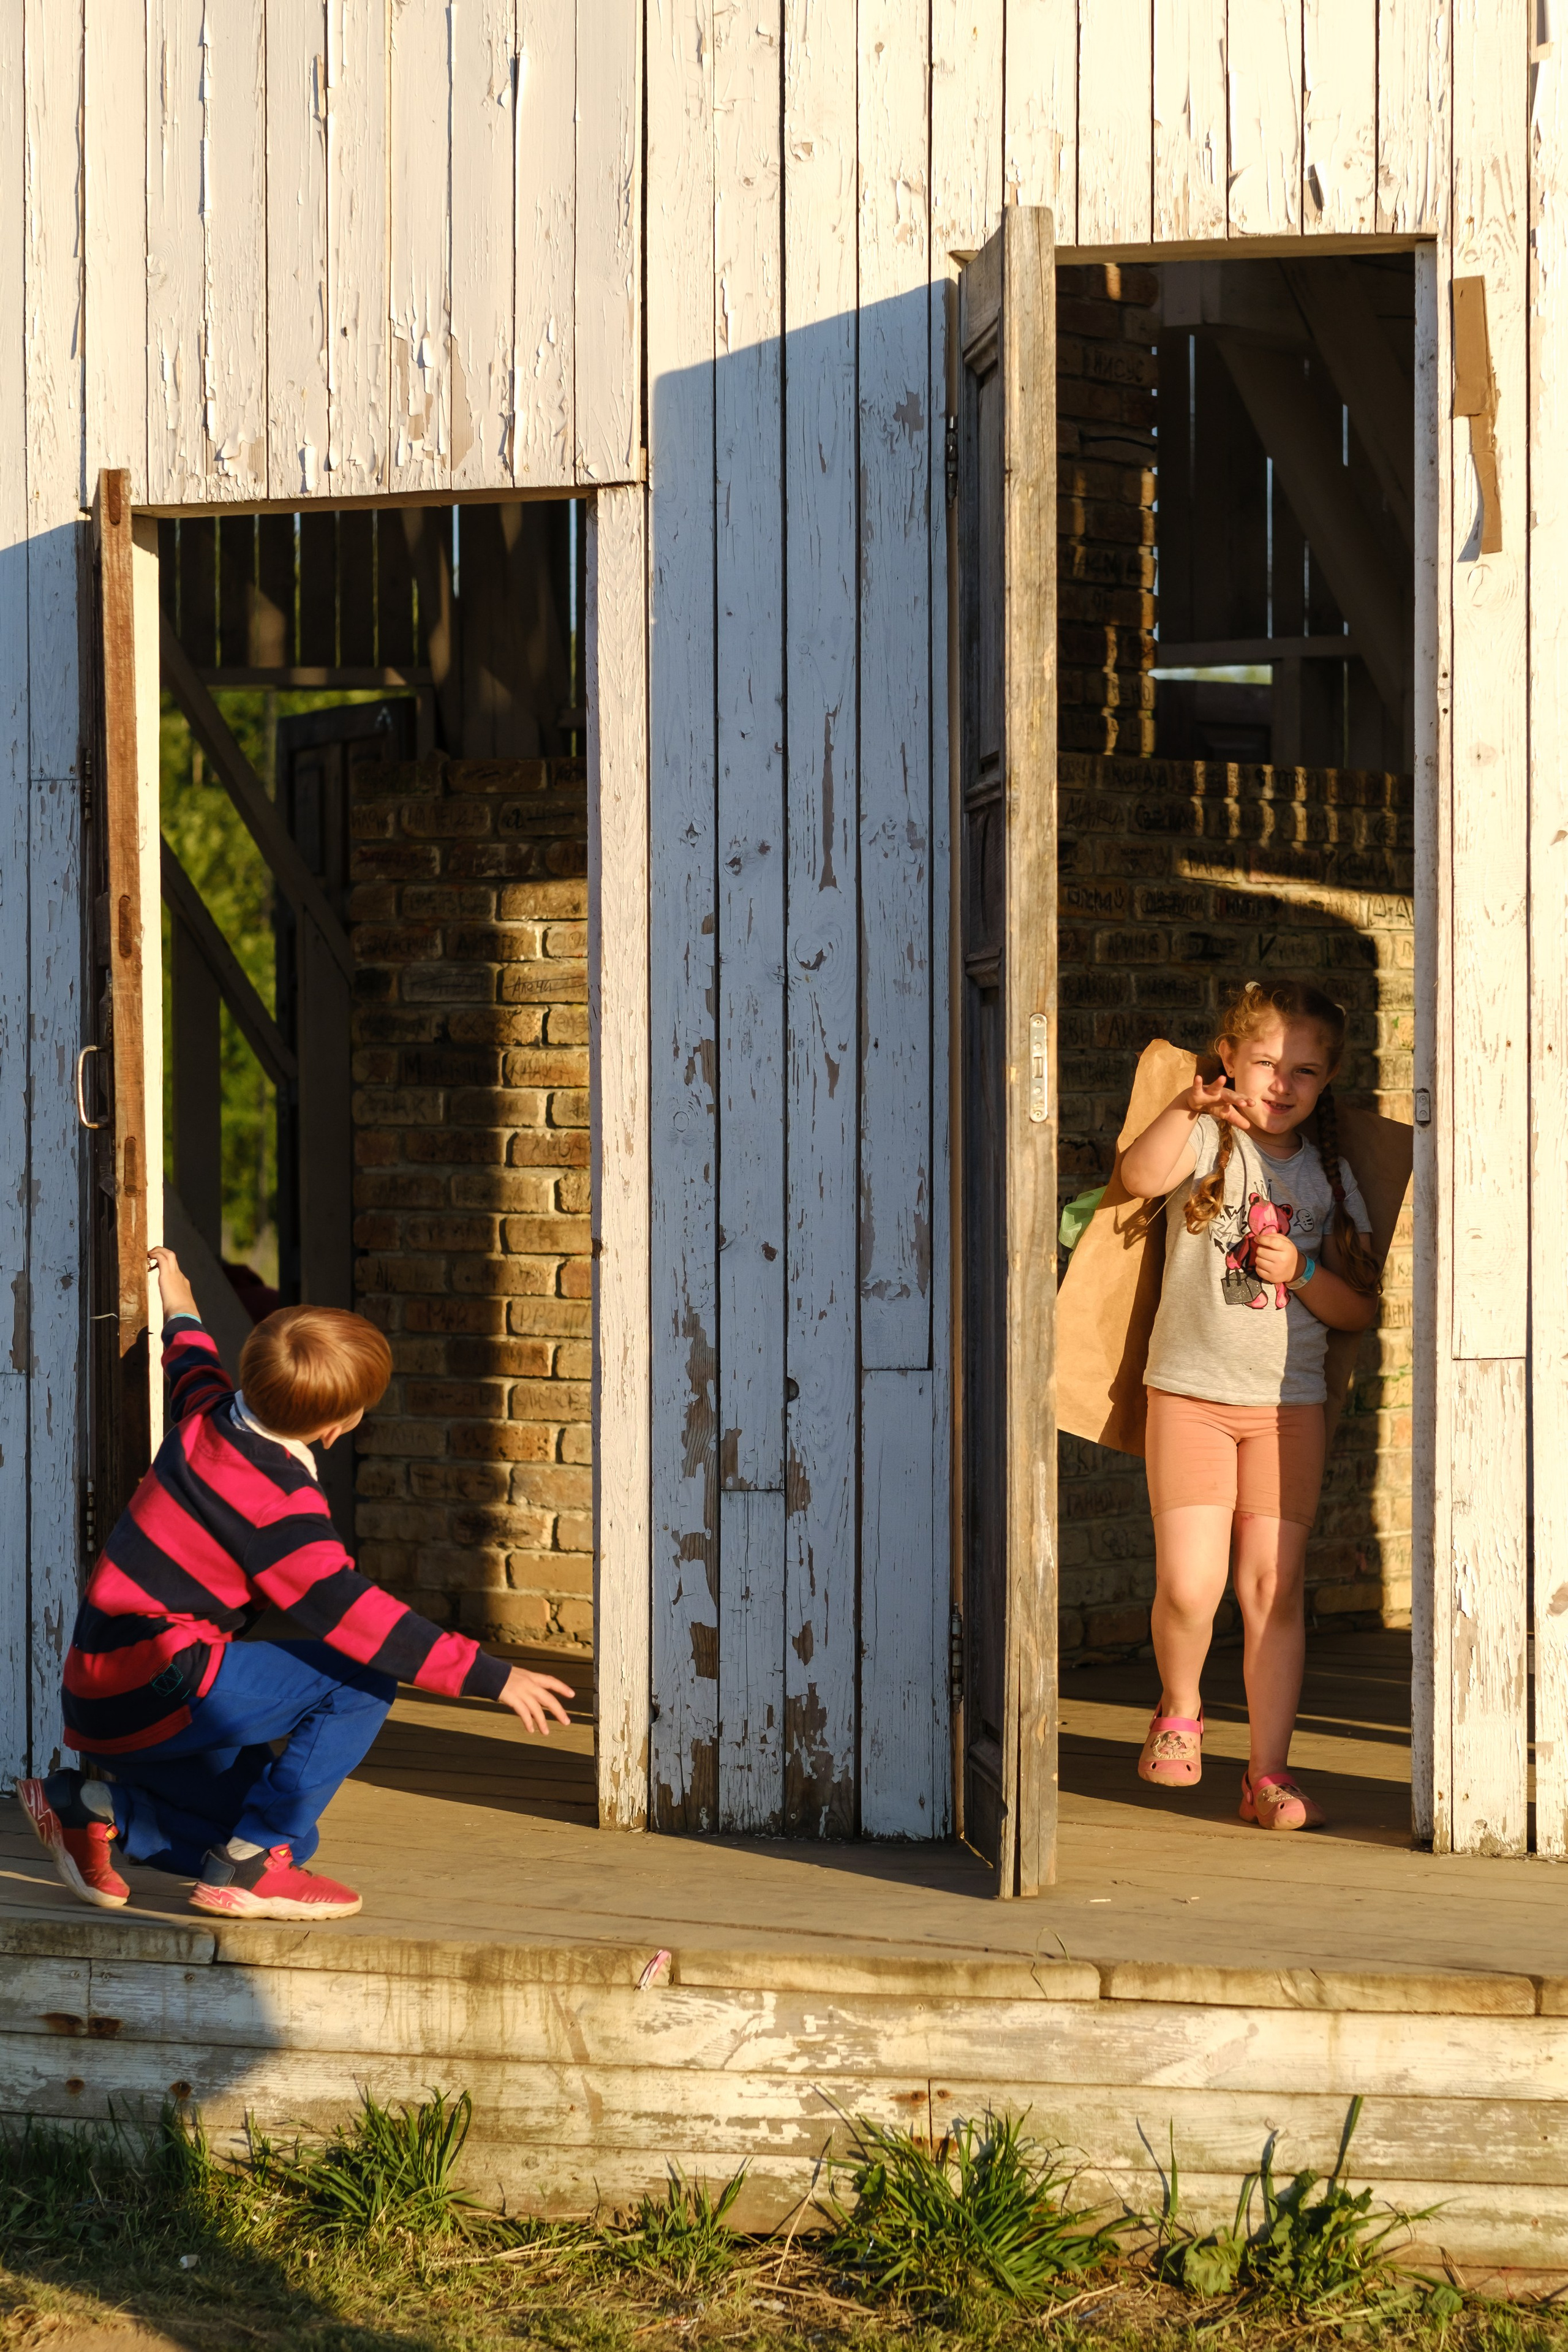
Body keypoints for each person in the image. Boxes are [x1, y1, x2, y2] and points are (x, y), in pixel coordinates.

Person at [19, 1248, 573, 1920]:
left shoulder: (206, 1416)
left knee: (275, 1833)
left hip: (100, 1693)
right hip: (162, 1683)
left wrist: (181, 1296)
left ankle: (94, 1810)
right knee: (360, 1680)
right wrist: (490, 1676)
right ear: (338, 1428)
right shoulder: (277, 1505)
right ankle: (251, 1864)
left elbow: (189, 1357)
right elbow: (350, 1614)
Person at [1117, 979, 1381, 1832]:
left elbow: (1358, 1310)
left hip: (1287, 1409)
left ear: (1327, 1079)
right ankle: (1181, 1708)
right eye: (1265, 1061)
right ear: (1228, 1057)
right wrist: (1185, 1108)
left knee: (1274, 1589)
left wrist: (1300, 1275)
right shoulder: (1203, 1138)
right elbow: (1134, 1177)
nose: (1280, 1083)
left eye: (1304, 1071)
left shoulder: (1332, 1174)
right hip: (1190, 1395)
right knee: (1193, 1586)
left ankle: (1268, 1774)